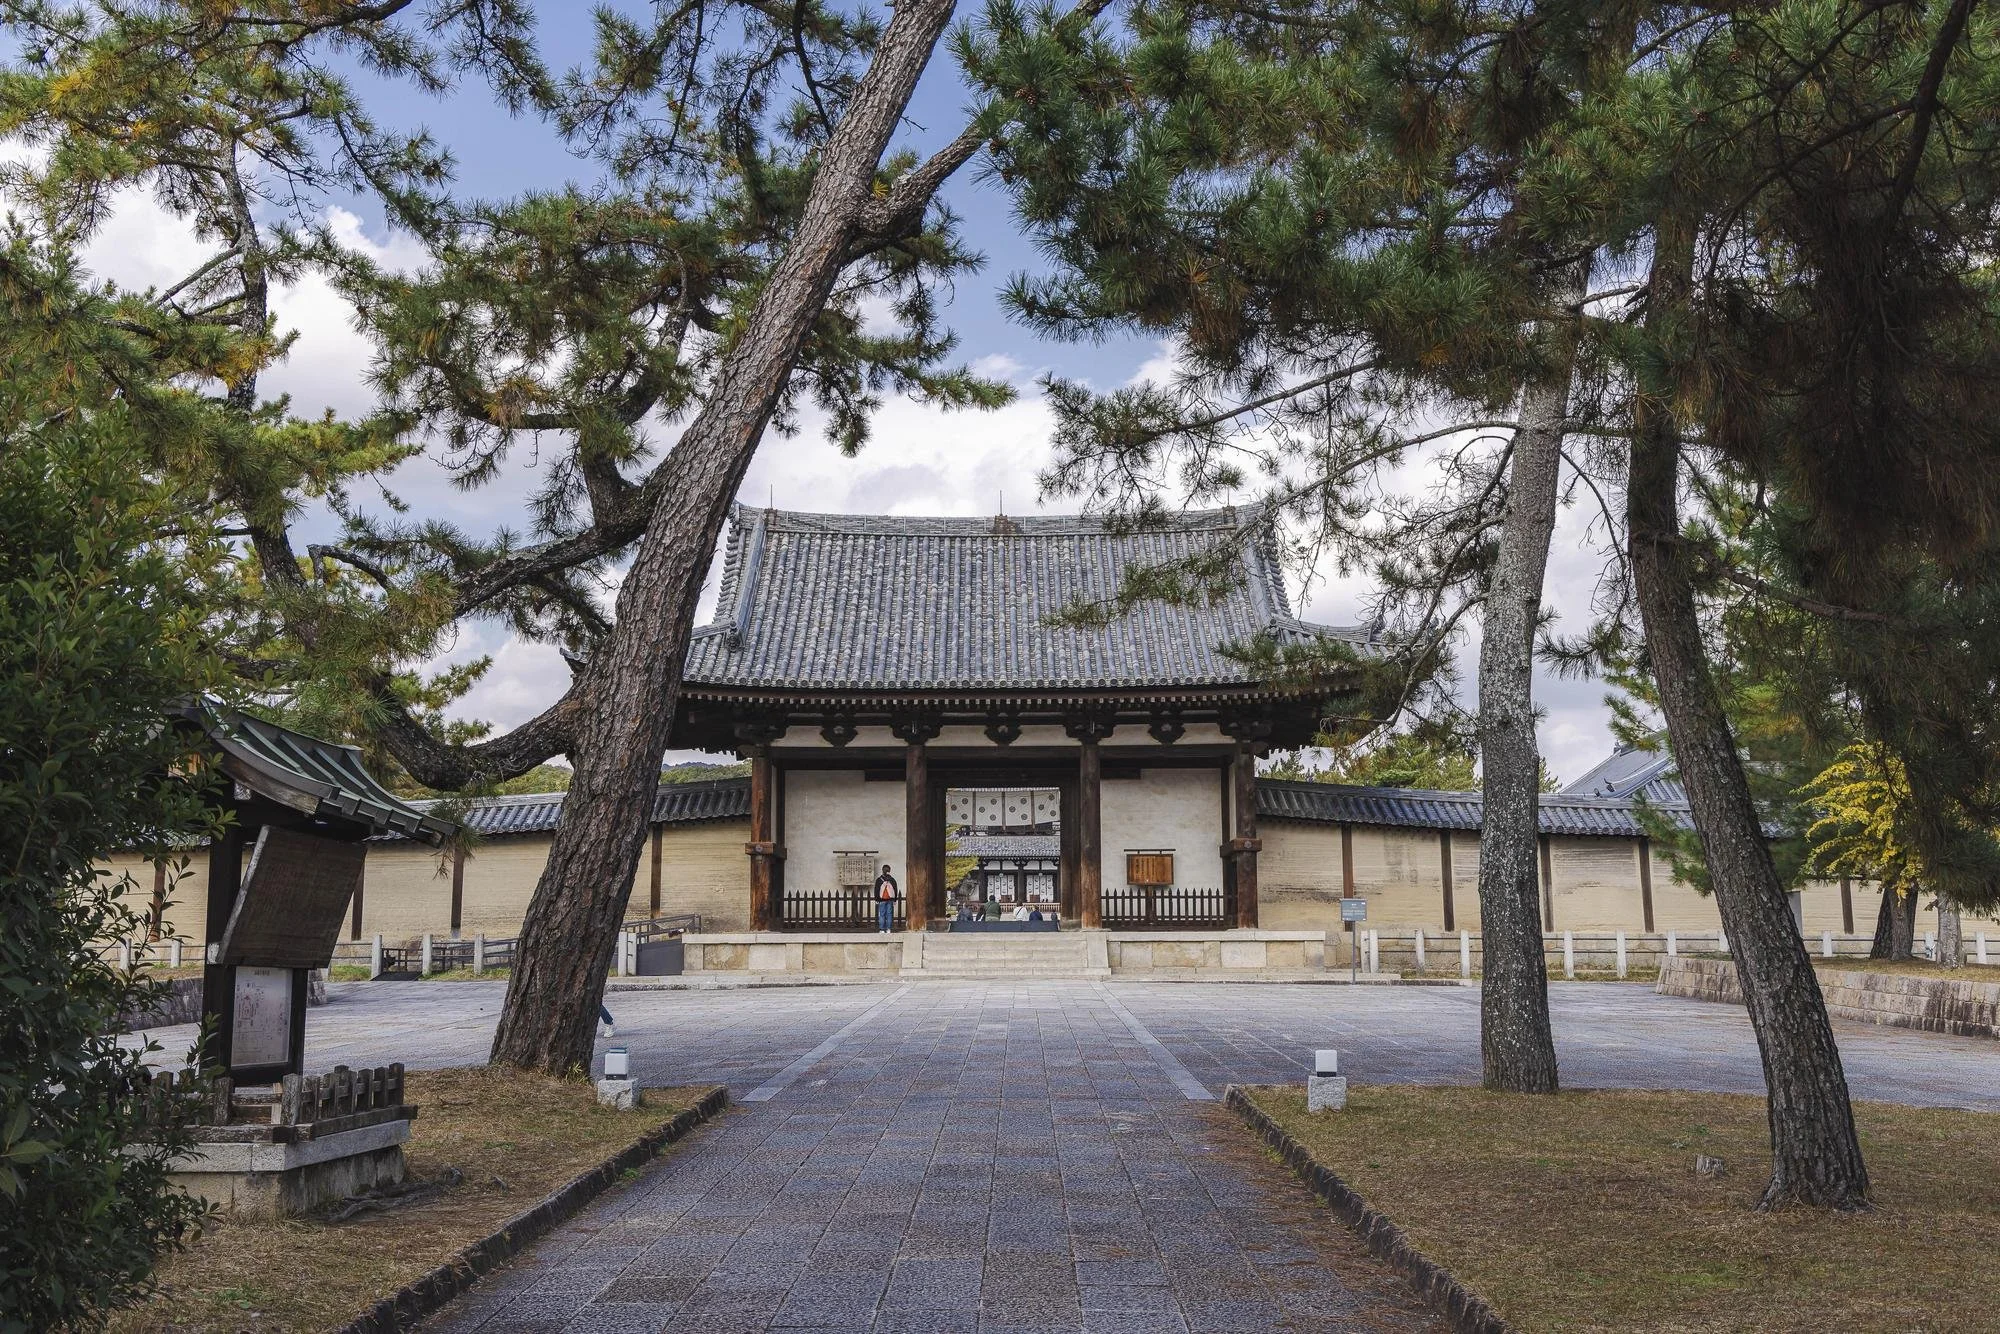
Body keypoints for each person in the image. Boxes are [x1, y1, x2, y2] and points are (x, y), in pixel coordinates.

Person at [873, 863, 897, 934]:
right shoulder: (892, 880)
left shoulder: (879, 880)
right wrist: (895, 899)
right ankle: (889, 929)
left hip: (881, 900)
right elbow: (895, 889)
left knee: (882, 914)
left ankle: (882, 929)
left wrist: (877, 899)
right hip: (890, 900)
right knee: (889, 914)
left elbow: (876, 890)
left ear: (882, 870)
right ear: (889, 871)